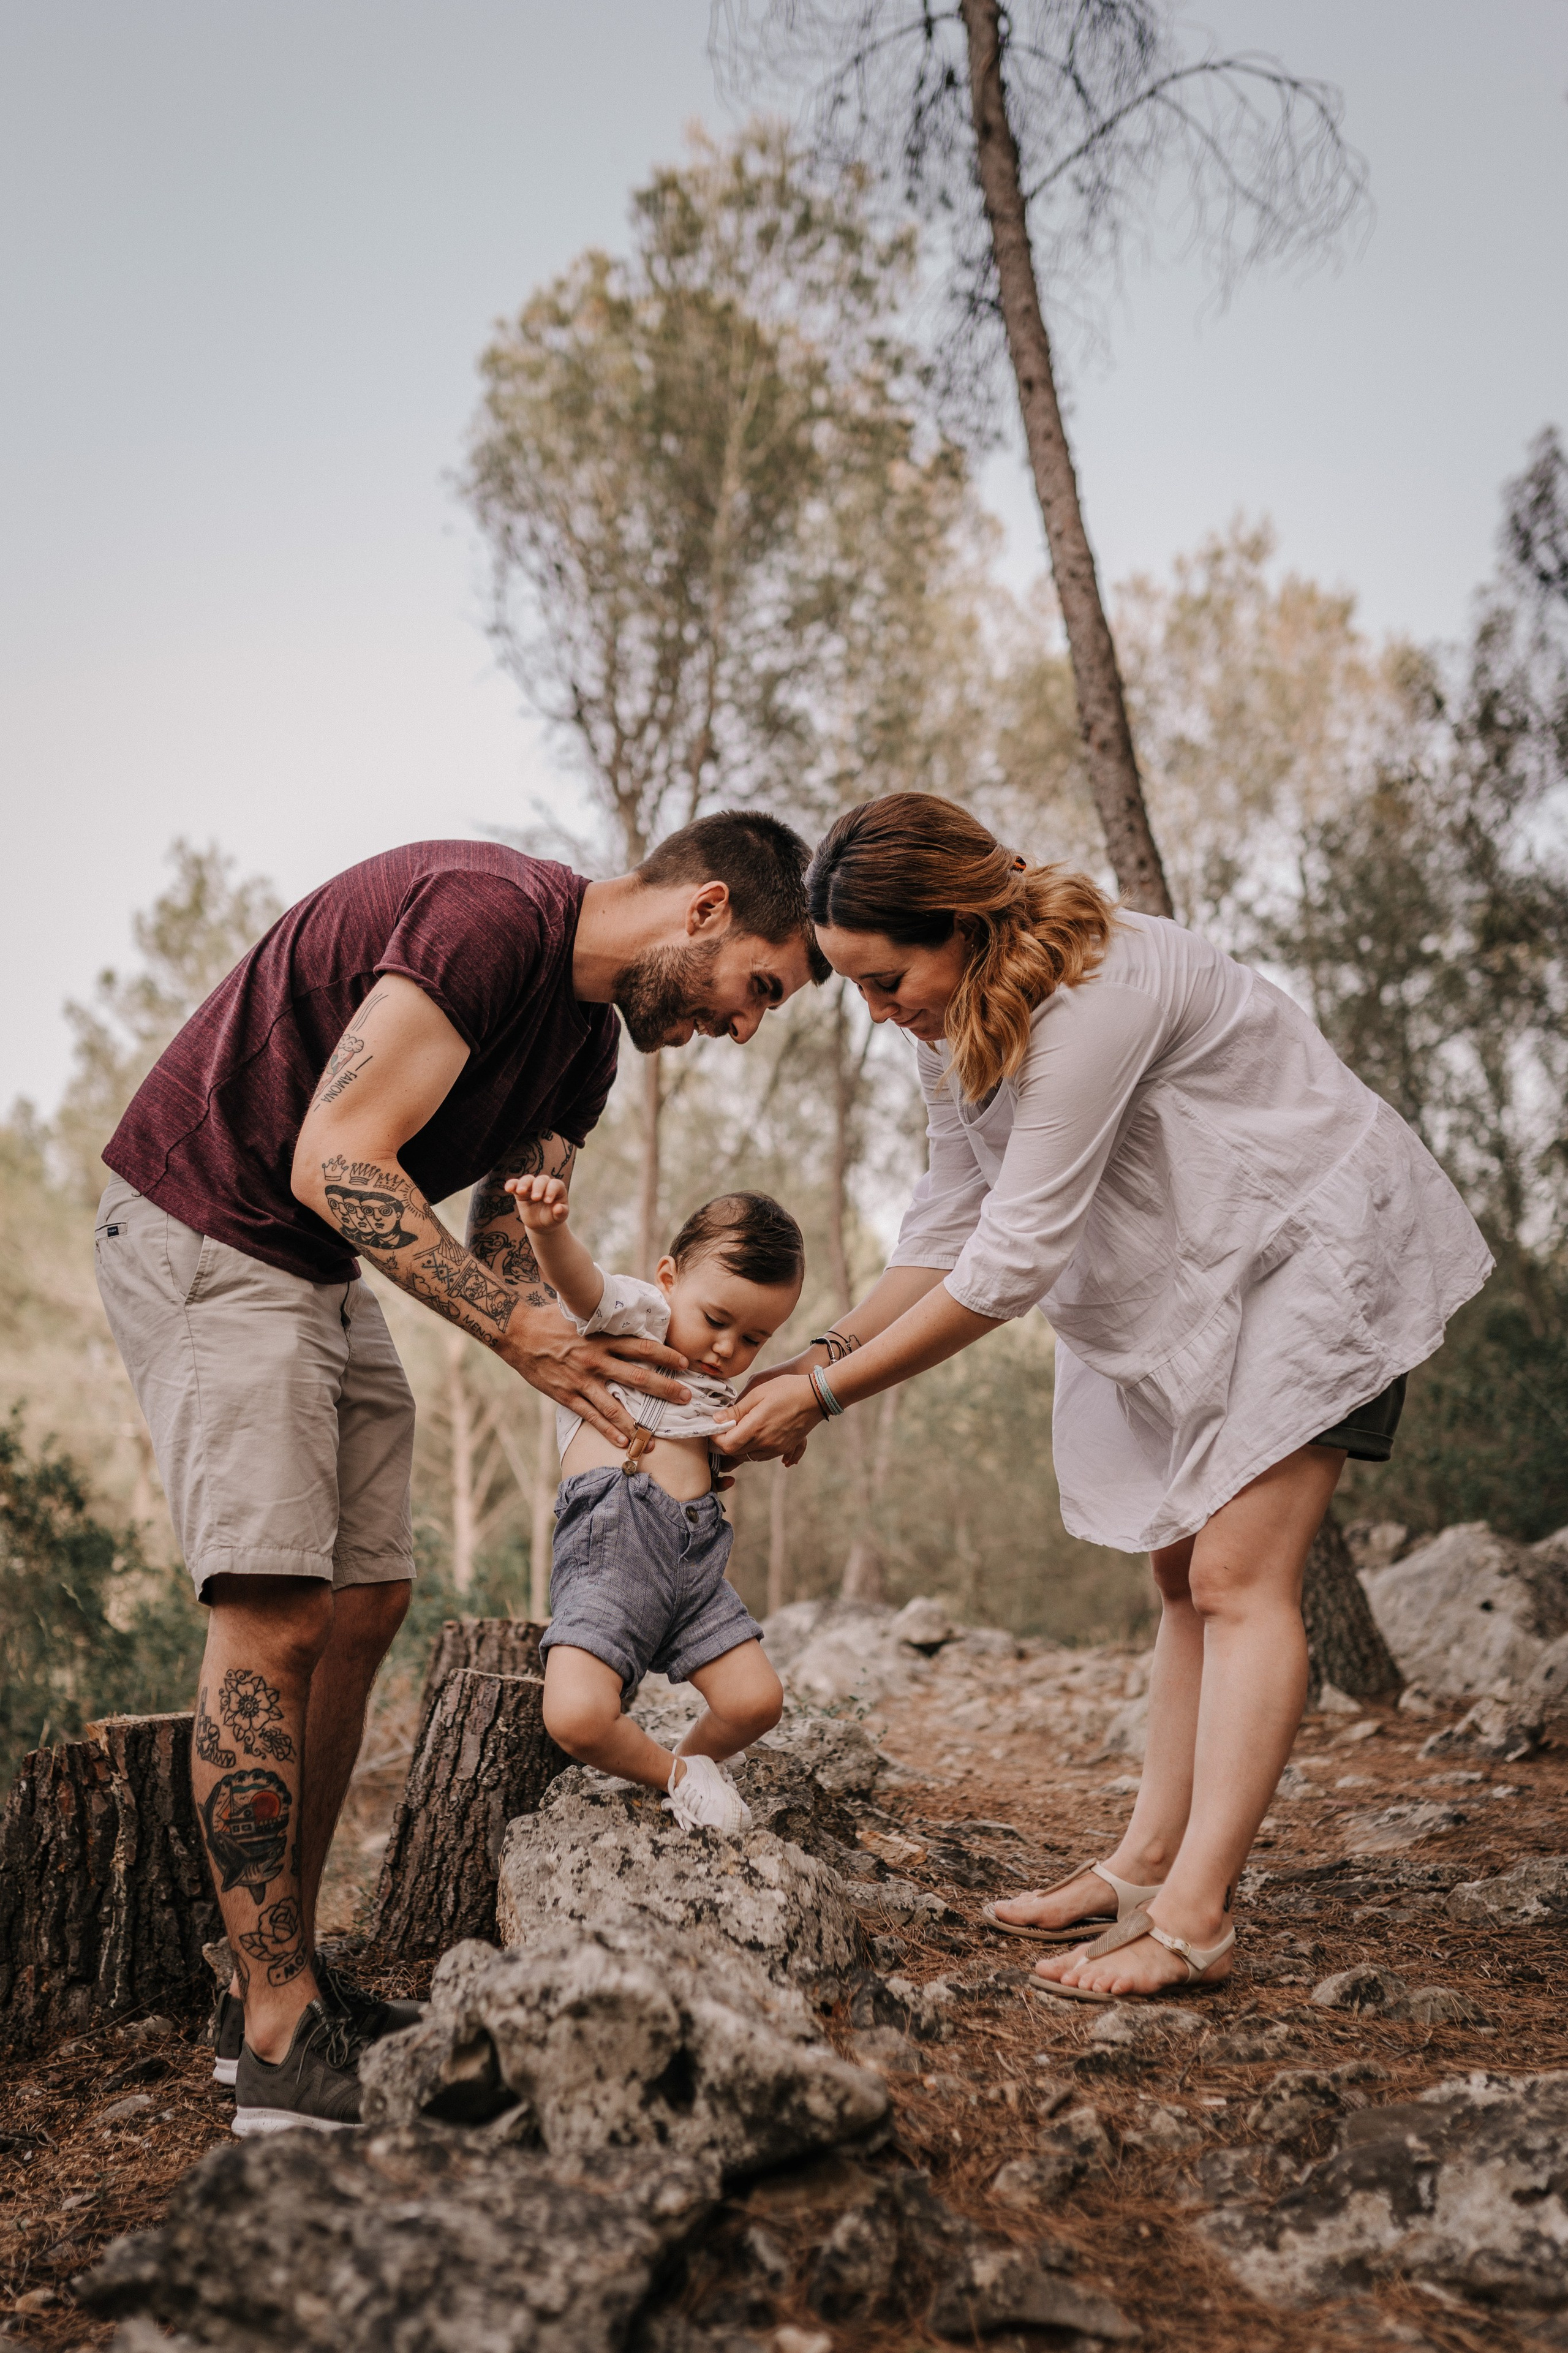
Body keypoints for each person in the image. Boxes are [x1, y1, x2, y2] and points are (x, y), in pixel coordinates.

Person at [94, 814, 824, 2132]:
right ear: (707, 908)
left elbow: (498, 1252)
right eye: (759, 987)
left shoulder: (586, 1051)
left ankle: (275, 1978)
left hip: (311, 1259)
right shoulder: (487, 919)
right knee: (272, 1612)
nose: (745, 1025)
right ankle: (275, 2040)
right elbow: (335, 1157)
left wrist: (604, 1359)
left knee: (366, 1601)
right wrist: (507, 1327)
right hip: (207, 1222)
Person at [718, 793, 1491, 2003]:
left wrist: (821, 1400)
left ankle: (1193, 1920)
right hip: (1215, 1265)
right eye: (852, 986)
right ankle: (1140, 1867)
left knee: (1238, 1575)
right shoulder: (946, 1027)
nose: (877, 1014)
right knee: (1177, 1572)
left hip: (1315, 1245)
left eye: (885, 978)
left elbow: (1012, 1263)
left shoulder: (1096, 993)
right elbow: (946, 1222)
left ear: (962, 925)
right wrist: (816, 1353)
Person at [510, 1182, 796, 1830]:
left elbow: (738, 1442)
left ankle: (690, 1776)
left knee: (756, 1703)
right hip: (610, 1555)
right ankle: (672, 1774)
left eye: (754, 1338)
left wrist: (777, 1436)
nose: (727, 1349)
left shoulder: (721, 1389)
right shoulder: (642, 1317)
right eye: (717, 1320)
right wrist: (547, 1231)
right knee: (577, 1716)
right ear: (668, 1279)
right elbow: (583, 1287)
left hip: (694, 1567)